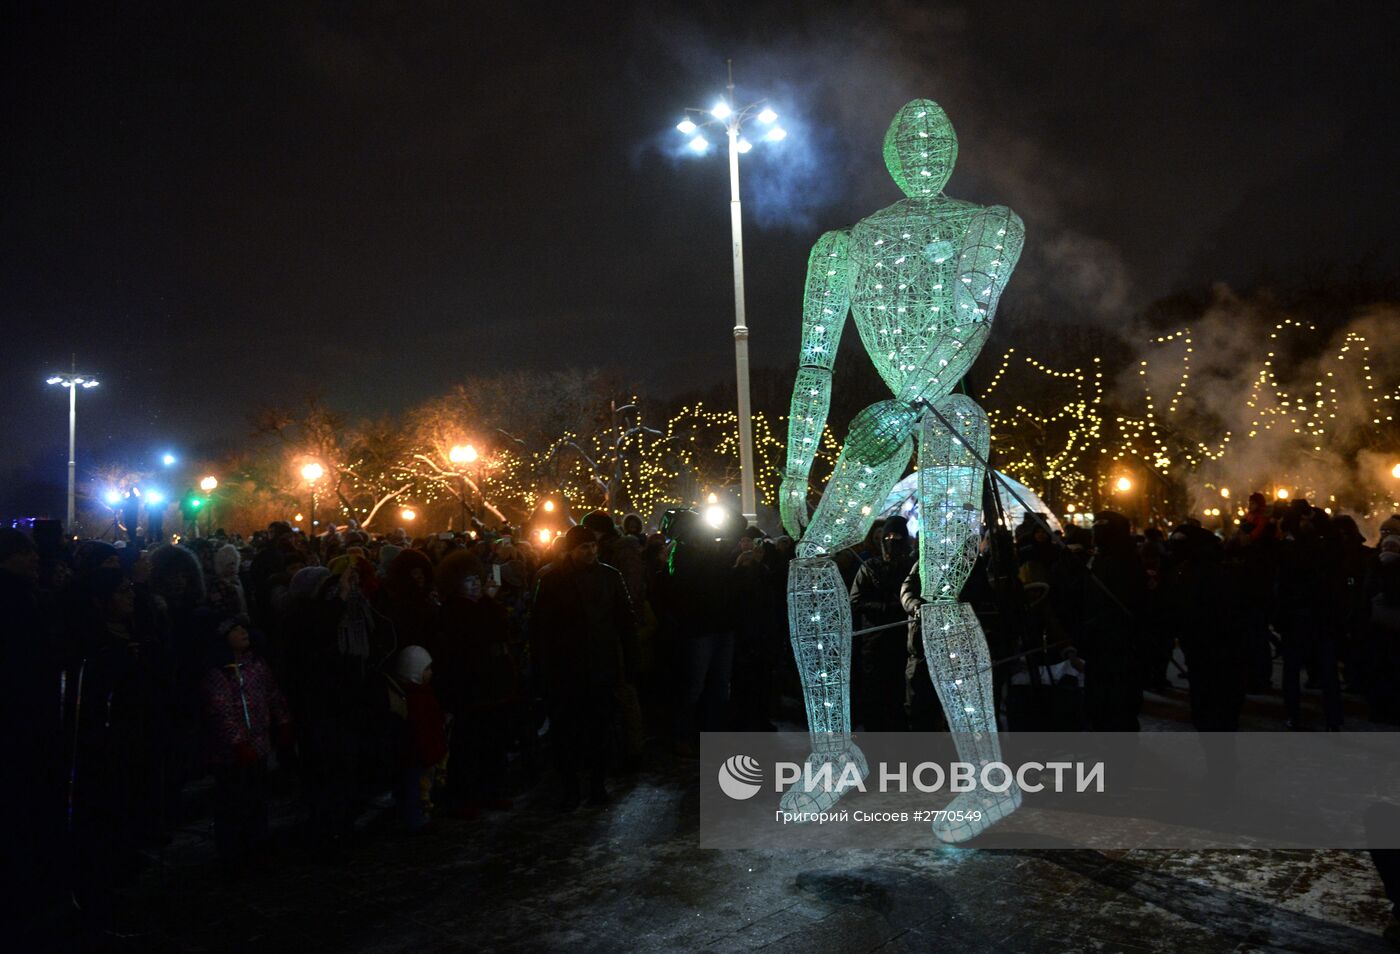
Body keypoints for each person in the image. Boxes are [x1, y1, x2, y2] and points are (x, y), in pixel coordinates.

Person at [531, 524, 636, 808]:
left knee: (599, 729)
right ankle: (571, 787)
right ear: (571, 550)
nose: (590, 552)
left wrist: (629, 661)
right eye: (584, 547)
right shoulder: (553, 580)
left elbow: (625, 621)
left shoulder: (609, 576)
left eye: (592, 546)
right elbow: (540, 628)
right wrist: (541, 669)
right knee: (567, 731)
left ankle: (597, 784)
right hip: (566, 668)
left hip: (600, 665)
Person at [199, 615, 290, 869]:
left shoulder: (256, 665)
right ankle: (234, 851)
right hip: (229, 753)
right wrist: (237, 742)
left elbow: (272, 692)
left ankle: (257, 843)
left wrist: (282, 721)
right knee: (233, 800)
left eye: (243, 629)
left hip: (258, 743)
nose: (242, 633)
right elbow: (221, 711)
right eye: (235, 630)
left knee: (256, 798)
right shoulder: (218, 673)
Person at [850, 515, 917, 731]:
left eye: (896, 536)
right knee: (875, 696)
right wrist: (884, 607)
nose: (890, 541)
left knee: (899, 695)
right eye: (887, 536)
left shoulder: (912, 568)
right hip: (874, 642)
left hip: (903, 641)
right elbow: (856, 600)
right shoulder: (869, 567)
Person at [386, 645, 447, 833]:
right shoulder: (415, 698)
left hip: (420, 752)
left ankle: (416, 816)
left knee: (415, 787)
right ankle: (415, 820)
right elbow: (421, 728)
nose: (430, 672)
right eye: (426, 669)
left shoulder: (419, 695)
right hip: (417, 754)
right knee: (414, 788)